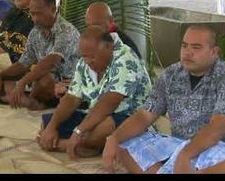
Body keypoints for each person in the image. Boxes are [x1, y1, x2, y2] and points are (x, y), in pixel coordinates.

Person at [103, 24, 225, 174]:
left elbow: (216, 129)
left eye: (196, 47)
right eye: (184, 46)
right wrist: (114, 138)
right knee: (125, 142)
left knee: (216, 154)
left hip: (216, 150)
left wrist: (186, 154)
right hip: (179, 145)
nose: (188, 53)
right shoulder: (171, 74)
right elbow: (145, 114)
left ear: (214, 52)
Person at [38, 25, 151, 159]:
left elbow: (110, 102)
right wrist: (51, 127)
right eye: (84, 56)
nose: (87, 61)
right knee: (47, 125)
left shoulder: (125, 58)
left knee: (103, 128)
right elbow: (72, 97)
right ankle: (86, 145)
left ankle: (70, 144)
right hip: (95, 113)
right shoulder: (84, 62)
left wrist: (79, 131)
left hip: (129, 116)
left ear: (108, 48)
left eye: (91, 57)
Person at [0, 0, 80, 110]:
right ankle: (32, 102)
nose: (35, 19)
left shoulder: (66, 31)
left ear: (53, 9)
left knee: (43, 81)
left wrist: (23, 82)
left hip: (67, 87)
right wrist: (0, 76)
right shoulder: (35, 32)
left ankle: (29, 100)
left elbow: (52, 61)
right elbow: (23, 63)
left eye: (39, 14)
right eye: (32, 14)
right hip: (39, 83)